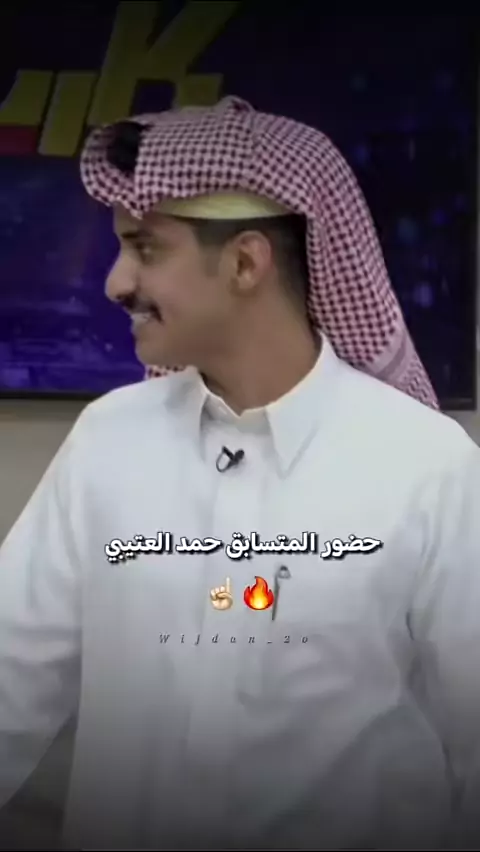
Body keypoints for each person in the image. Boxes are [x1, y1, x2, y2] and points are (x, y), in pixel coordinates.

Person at [0, 96, 478, 851]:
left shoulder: (427, 466)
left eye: (145, 248)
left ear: (246, 263)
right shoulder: (107, 442)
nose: (116, 282)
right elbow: (10, 686)